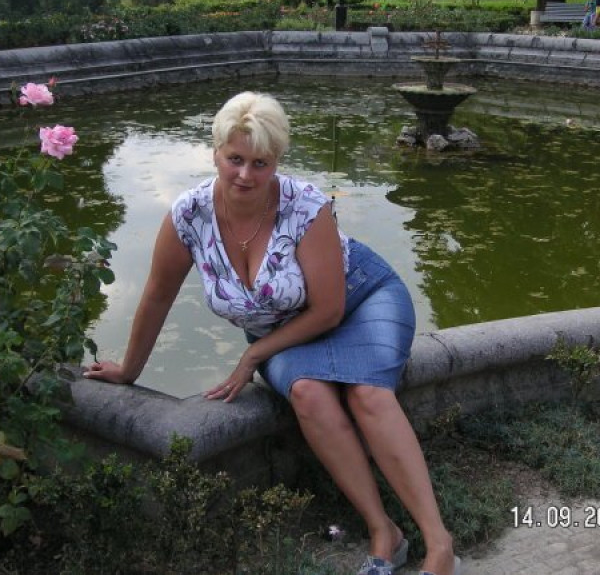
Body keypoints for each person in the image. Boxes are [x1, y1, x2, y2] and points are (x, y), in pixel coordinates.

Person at [84, 92, 460, 575]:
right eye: (235, 159)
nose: (245, 174)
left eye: (260, 163)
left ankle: (439, 544)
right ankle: (383, 531)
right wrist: (128, 370)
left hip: (362, 299)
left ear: (277, 160)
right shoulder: (189, 215)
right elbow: (157, 296)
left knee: (368, 393)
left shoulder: (305, 206)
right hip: (283, 331)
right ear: (216, 153)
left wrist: (253, 355)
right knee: (307, 393)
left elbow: (329, 310)